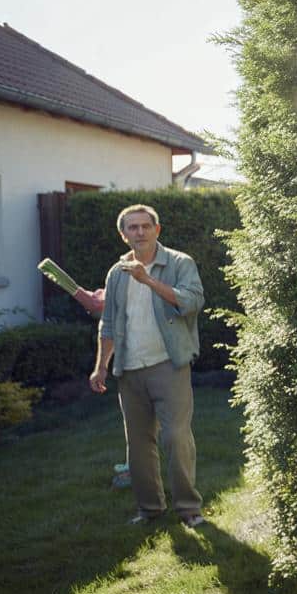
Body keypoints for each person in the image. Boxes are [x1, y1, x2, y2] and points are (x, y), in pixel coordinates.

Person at [89, 204, 207, 526]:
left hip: (168, 364)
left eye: (145, 226)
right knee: (138, 444)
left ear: (158, 230)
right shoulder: (116, 273)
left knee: (176, 437)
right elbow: (109, 323)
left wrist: (149, 281)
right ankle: (150, 509)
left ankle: (188, 509)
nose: (139, 232)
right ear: (123, 234)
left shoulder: (179, 263)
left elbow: (193, 302)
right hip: (129, 369)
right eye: (132, 227)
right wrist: (102, 366)